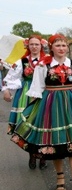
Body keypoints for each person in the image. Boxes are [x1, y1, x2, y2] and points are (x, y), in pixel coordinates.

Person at [10, 34, 72, 190]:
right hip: (51, 105)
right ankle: (60, 178)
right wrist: (33, 114)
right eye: (58, 45)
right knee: (56, 142)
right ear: (51, 48)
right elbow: (36, 90)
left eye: (64, 45)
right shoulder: (43, 66)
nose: (61, 48)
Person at [2, 35, 48, 170]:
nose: (34, 47)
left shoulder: (47, 61)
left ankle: (43, 155)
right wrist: (6, 90)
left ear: (41, 46)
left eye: (37, 44)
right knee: (28, 125)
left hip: (44, 93)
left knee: (44, 124)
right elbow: (9, 77)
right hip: (26, 94)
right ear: (28, 46)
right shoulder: (22, 61)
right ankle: (32, 154)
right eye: (32, 44)